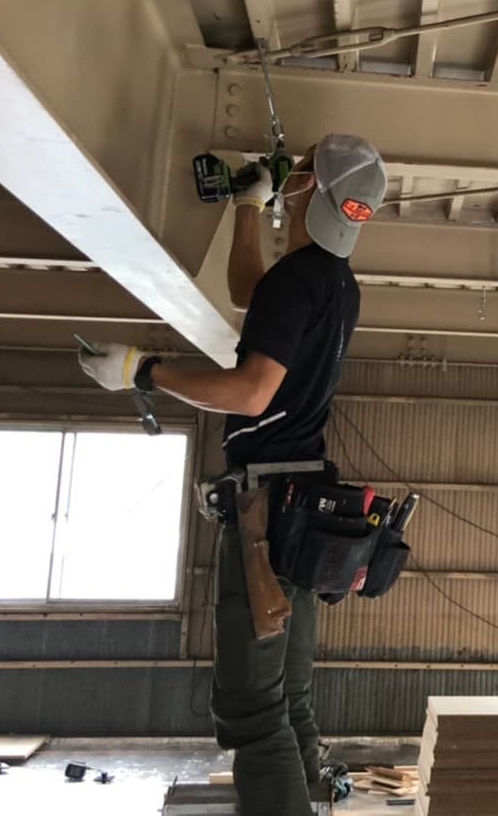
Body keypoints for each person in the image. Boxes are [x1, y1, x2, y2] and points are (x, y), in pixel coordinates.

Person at [78, 134, 387, 816]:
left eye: (298, 172)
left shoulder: (301, 282)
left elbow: (250, 394)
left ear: (311, 190)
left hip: (266, 512)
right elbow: (253, 291)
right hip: (300, 506)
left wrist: (144, 371)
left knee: (252, 708)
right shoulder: (337, 284)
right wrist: (249, 207)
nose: (291, 178)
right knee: (288, 695)